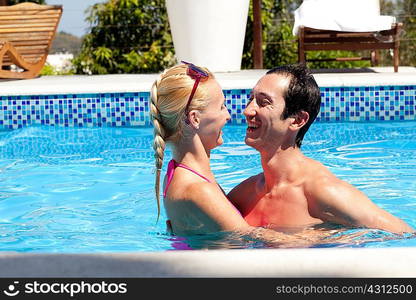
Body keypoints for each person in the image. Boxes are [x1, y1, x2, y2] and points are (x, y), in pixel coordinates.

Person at [149, 61, 332, 246]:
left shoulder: (177, 174)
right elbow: (255, 241)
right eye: (221, 107)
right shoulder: (199, 190)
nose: (228, 115)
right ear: (195, 119)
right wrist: (337, 237)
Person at [227, 64, 414, 234]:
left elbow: (403, 234)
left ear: (298, 120)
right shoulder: (246, 193)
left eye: (263, 102)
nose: (248, 110)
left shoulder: (323, 192)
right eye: (251, 99)